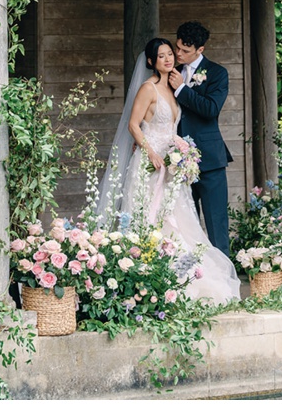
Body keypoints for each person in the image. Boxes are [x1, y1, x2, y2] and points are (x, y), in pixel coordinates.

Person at [93, 36, 239, 303]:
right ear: (151, 61)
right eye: (162, 56)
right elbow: (134, 125)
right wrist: (149, 151)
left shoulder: (174, 86)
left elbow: (175, 127)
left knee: (182, 223)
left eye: (171, 54)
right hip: (151, 165)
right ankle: (144, 280)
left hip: (172, 167)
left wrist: (181, 150)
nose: (169, 58)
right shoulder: (148, 88)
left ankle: (182, 279)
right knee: (152, 219)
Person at [169, 21, 234, 258]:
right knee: (186, 227)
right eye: (177, 48)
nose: (178, 54)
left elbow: (210, 109)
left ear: (200, 50)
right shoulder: (170, 73)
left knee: (217, 224)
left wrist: (182, 90)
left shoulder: (217, 74)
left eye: (185, 51)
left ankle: (226, 286)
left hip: (210, 161)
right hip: (177, 161)